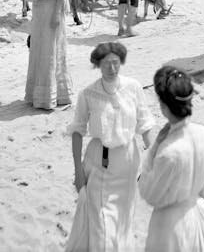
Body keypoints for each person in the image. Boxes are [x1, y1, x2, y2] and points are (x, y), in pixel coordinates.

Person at [66, 42, 154, 252]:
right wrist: (78, 170)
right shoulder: (88, 94)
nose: (112, 69)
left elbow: (145, 125)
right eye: (106, 64)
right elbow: (77, 131)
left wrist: (152, 159)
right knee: (101, 222)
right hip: (98, 164)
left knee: (122, 221)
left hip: (128, 165)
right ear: (98, 65)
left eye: (115, 63)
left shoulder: (133, 87)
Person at [138, 65, 204, 252]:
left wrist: (154, 147)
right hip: (200, 215)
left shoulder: (168, 152)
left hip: (171, 227)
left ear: (164, 107)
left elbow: (149, 193)